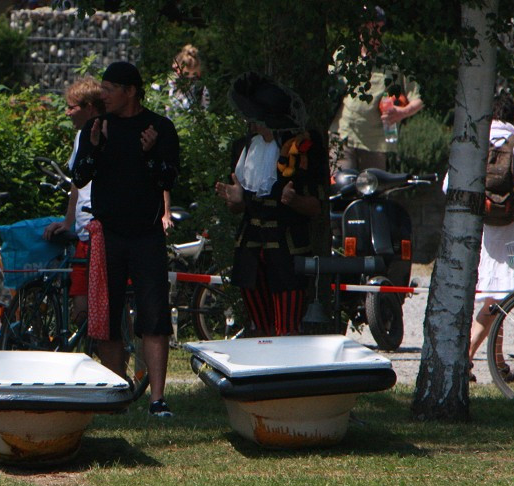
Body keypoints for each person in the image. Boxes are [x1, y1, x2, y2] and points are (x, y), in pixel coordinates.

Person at [71, 61, 180, 419]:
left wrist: (150, 154)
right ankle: (116, 393)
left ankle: (157, 400)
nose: (102, 94)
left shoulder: (159, 128)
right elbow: (80, 175)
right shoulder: (96, 127)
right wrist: (95, 146)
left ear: (130, 91)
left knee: (154, 316)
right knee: (107, 317)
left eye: (108, 88)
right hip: (108, 236)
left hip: (146, 236)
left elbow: (168, 179)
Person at [214, 72, 327, 338]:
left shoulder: (302, 148)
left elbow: (315, 207)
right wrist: (236, 200)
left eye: (257, 119)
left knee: (287, 327)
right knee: (258, 327)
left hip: (287, 248)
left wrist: (294, 200)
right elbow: (239, 206)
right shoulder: (242, 148)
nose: (252, 125)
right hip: (251, 246)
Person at [330, 7, 423, 171]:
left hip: (377, 142)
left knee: (374, 191)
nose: (376, 33)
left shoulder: (395, 59)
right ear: (361, 28)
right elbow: (329, 90)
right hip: (343, 134)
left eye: (380, 28)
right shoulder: (344, 54)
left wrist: (401, 112)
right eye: (372, 27)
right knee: (341, 188)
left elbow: (419, 99)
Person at [468, 92, 514, 379]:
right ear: (513, 116)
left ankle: (498, 364)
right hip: (513, 230)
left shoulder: (474, 143)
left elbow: (447, 186)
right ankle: (465, 358)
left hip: (481, 231)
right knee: (501, 296)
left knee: (494, 295)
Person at [44, 76, 104, 325]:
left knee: (106, 303)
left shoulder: (104, 131)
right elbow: (75, 183)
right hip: (82, 231)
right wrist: (68, 221)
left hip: (100, 228)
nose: (67, 112)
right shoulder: (81, 136)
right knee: (80, 302)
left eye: (72, 107)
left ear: (90, 107)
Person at [166, 44, 210, 115]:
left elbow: (204, 113)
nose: (188, 80)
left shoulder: (201, 90)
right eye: (184, 75)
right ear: (176, 68)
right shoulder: (163, 87)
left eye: (193, 77)